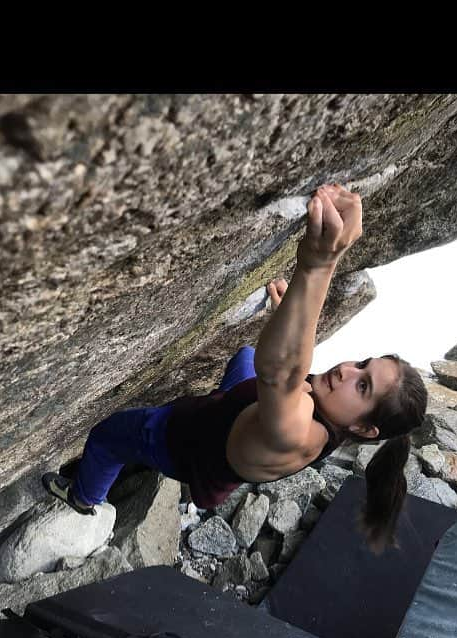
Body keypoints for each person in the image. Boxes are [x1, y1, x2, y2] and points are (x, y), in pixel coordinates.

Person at [43, 184, 427, 553]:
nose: (347, 371)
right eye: (362, 365)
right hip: (231, 418)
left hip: (179, 440)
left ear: (363, 428)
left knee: (109, 436)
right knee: (245, 355)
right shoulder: (329, 412)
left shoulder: (299, 434)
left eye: (363, 387)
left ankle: (83, 496)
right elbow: (279, 376)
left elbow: (280, 374)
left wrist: (319, 263)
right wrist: (286, 316)